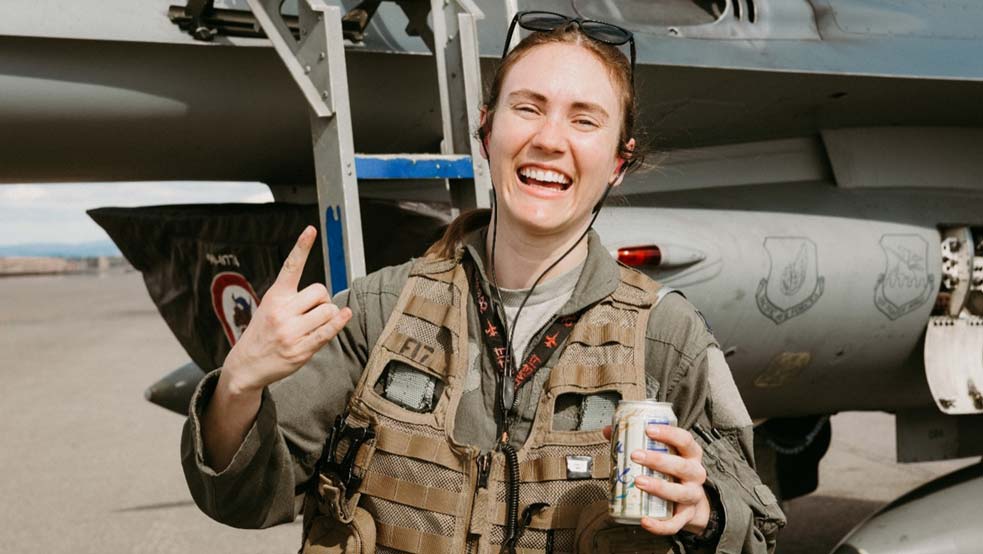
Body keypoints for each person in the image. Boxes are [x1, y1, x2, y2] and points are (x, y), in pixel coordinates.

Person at [182, 11, 785, 554]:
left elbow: (755, 532)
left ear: (618, 163)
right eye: (528, 108)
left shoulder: (666, 340)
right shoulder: (378, 313)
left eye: (584, 120)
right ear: (486, 131)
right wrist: (238, 385)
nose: (549, 140)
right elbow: (241, 497)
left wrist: (706, 515)